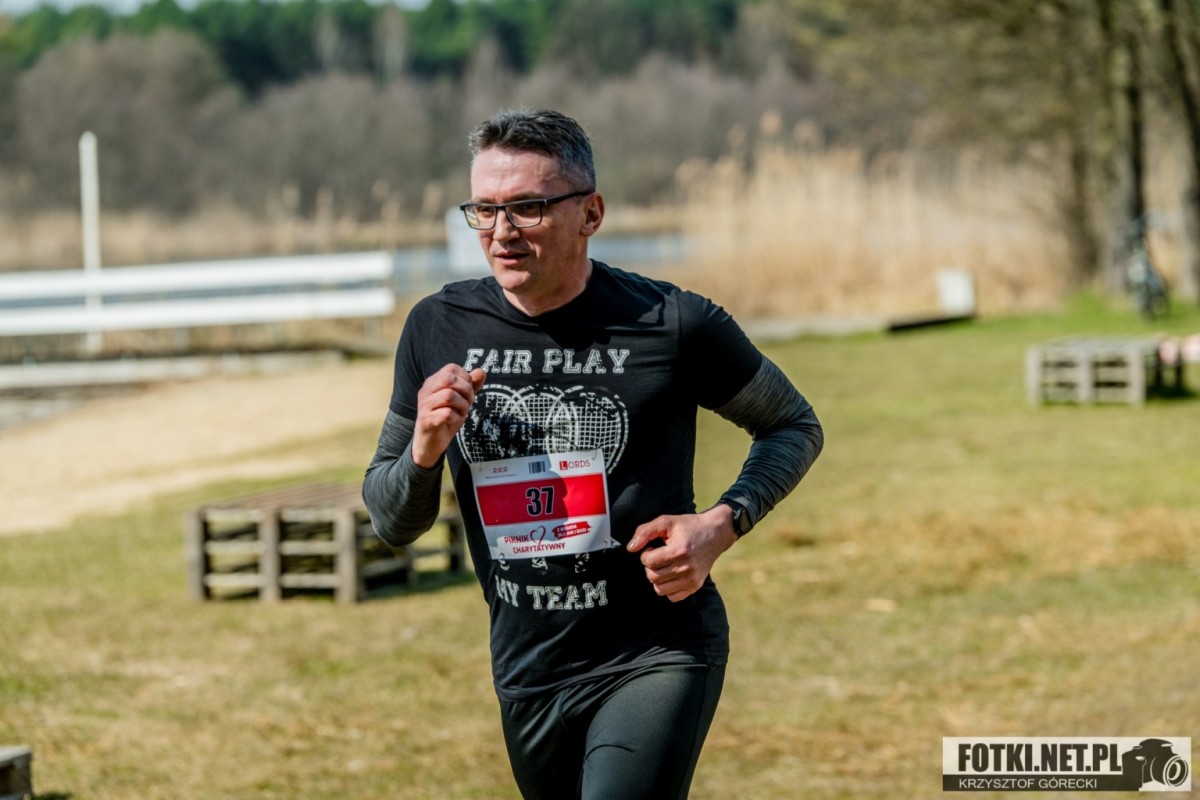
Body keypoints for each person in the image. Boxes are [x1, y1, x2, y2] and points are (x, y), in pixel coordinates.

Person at [364, 107, 823, 800]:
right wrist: (425, 449)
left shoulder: (672, 323)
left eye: (528, 208)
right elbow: (392, 521)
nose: (502, 232)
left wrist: (720, 525)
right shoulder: (438, 326)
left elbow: (792, 424)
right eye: (484, 210)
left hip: (656, 649)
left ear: (591, 213)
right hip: (528, 668)